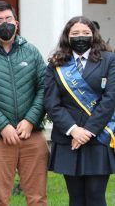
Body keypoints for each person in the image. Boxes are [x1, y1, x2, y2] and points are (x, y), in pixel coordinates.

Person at [0, 1, 48, 206]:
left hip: (33, 135)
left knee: (38, 199)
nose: (5, 23)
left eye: (8, 19)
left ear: (17, 22)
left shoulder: (31, 52)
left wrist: (30, 120)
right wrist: (3, 125)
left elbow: (44, 88)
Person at [44, 16, 115, 206]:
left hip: (98, 136)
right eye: (75, 33)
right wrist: (73, 129)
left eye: (86, 33)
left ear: (94, 35)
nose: (80, 37)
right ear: (67, 36)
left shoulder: (109, 60)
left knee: (95, 196)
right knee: (75, 198)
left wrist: (89, 131)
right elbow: (52, 103)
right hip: (69, 138)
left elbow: (110, 99)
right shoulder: (56, 63)